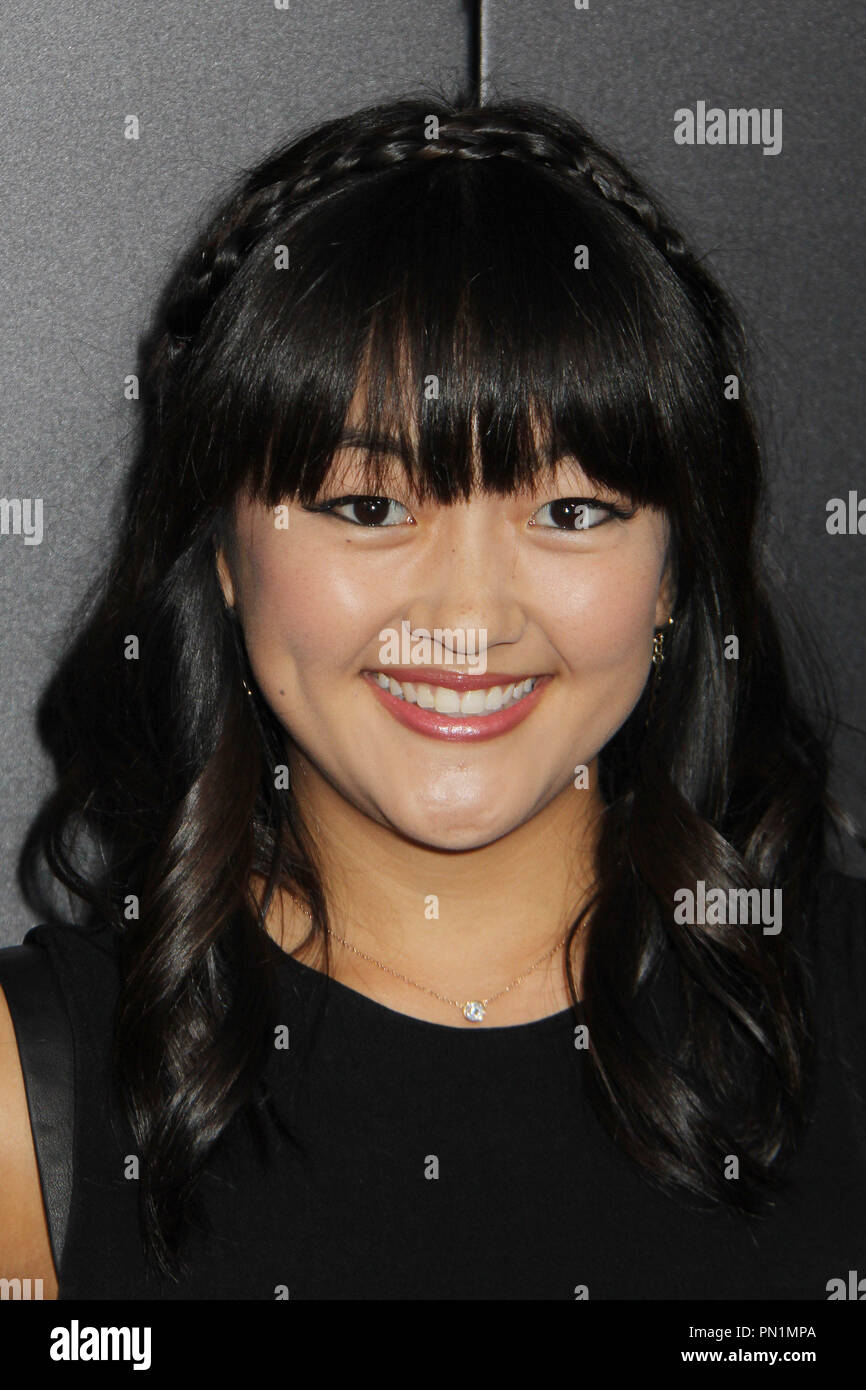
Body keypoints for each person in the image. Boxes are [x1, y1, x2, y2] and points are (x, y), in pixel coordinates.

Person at [1, 86, 864, 1301]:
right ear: (226, 556)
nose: (469, 618)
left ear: (675, 573)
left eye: (571, 511)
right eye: (369, 506)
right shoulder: (26, 1099)